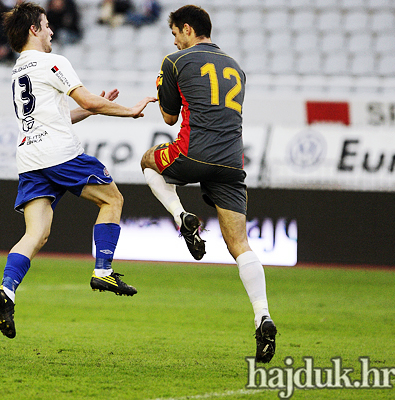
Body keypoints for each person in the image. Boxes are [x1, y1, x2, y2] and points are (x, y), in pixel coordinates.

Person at [0, 1, 156, 339]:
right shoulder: (53, 62)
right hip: (59, 153)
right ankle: (104, 270)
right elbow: (88, 100)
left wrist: (94, 111)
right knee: (112, 201)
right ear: (34, 30)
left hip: (30, 158)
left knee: (36, 234)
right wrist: (129, 110)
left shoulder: (18, 71)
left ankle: (6, 291)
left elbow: (63, 113)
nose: (52, 30)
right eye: (47, 24)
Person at [139, 5, 277, 363]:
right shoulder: (237, 67)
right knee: (240, 245)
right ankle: (263, 315)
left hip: (192, 152)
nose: (173, 40)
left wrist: (160, 85)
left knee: (147, 162)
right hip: (232, 162)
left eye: (174, 33)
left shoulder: (174, 61)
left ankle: (180, 216)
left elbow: (170, 118)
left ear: (187, 29)